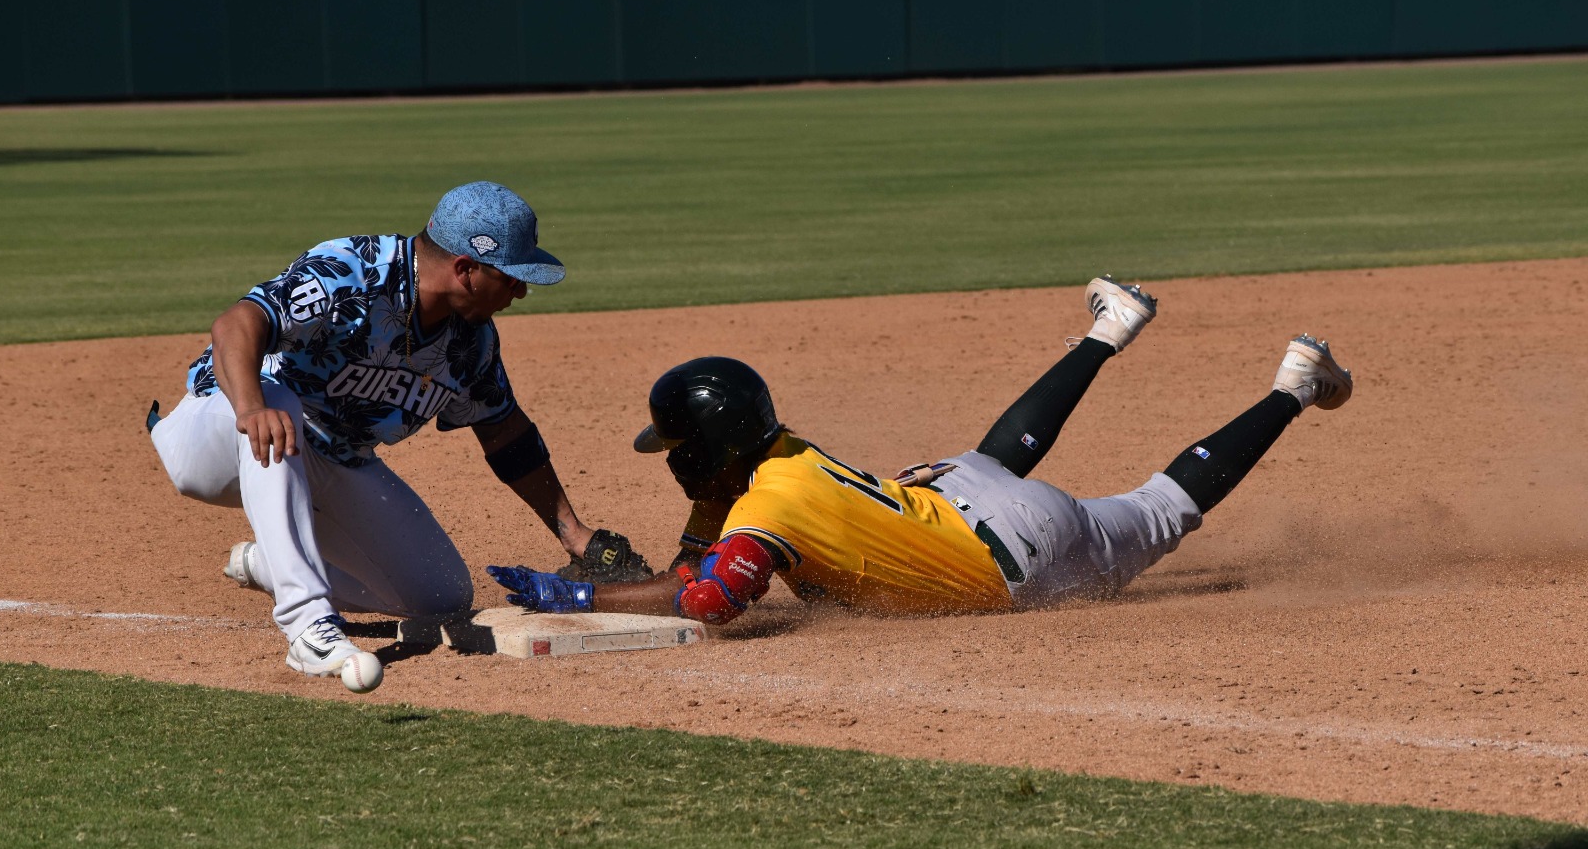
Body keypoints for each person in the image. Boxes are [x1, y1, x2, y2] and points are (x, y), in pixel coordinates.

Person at [486, 276, 1353, 625]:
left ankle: (1294, 385)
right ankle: (1117, 328)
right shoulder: (779, 453)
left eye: (675, 446)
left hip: (1022, 562)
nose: (671, 460)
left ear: (704, 450)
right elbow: (703, 538)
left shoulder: (763, 506)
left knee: (1162, 508)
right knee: (990, 461)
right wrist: (660, 569)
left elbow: (710, 598)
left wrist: (579, 594)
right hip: (956, 489)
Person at [149, 181, 648, 689]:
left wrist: (574, 533)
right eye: (511, 277)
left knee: (441, 595)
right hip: (219, 434)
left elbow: (505, 433)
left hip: (334, 458)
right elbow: (237, 323)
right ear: (465, 269)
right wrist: (252, 405)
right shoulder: (353, 271)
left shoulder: (470, 342)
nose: (520, 291)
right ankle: (307, 627)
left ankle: (272, 562)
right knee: (281, 404)